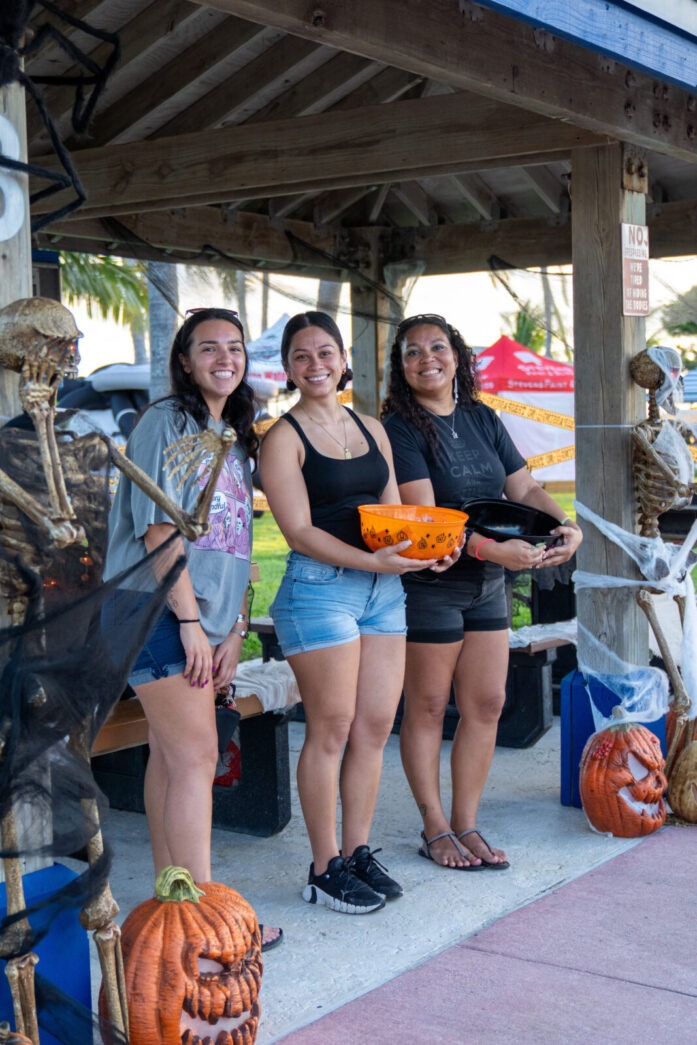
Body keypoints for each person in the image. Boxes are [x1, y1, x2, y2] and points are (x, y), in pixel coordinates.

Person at [260, 311, 450, 914]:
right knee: (332, 729)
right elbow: (297, 532)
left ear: (343, 359)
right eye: (301, 356)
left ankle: (356, 852)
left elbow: (396, 517)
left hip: (382, 591)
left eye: (325, 353)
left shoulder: (371, 427)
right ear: (288, 368)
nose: (315, 365)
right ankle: (323, 869)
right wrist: (375, 563)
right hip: (321, 591)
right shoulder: (282, 438)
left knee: (373, 727)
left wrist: (426, 552)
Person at [104, 307, 282, 950]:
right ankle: (206, 926)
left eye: (234, 347)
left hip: (204, 619)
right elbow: (158, 532)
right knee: (197, 757)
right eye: (208, 347)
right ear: (184, 360)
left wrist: (232, 629)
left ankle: (172, 909)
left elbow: (235, 546)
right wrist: (189, 624)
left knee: (173, 758)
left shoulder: (230, 435)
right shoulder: (166, 422)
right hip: (157, 609)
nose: (224, 358)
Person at [382, 313, 582, 871]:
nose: (427, 359)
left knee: (487, 703)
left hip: (488, 586)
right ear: (401, 367)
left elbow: (524, 486)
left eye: (437, 347)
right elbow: (425, 518)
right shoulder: (400, 428)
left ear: (457, 356)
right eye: (413, 352)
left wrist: (566, 525)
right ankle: (434, 828)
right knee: (427, 707)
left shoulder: (482, 417)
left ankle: (466, 822)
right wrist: (495, 551)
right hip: (431, 585)